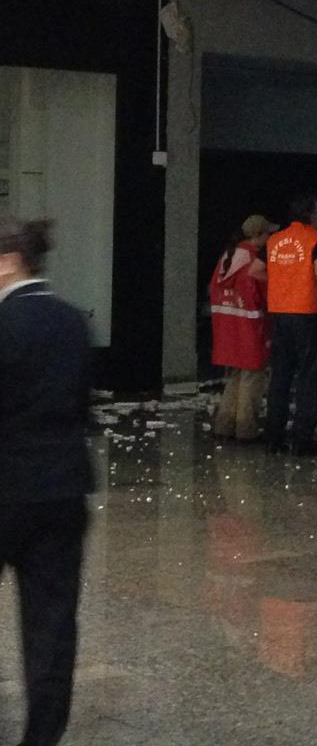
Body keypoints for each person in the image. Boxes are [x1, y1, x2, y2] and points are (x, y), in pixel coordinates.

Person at [0, 217, 93, 746]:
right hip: (62, 488)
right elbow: (81, 404)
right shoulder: (74, 322)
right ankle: (42, 735)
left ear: (9, 260)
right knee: (52, 622)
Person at [265, 193, 317, 455]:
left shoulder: (274, 240)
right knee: (308, 376)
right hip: (308, 312)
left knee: (280, 376)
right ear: (311, 214)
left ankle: (273, 435)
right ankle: (303, 439)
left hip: (280, 312)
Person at [209, 214, 277, 441]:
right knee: (252, 378)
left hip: (227, 327)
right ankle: (246, 429)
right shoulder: (253, 260)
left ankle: (224, 424)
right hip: (250, 327)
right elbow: (265, 295)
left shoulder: (228, 257)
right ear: (258, 236)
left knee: (235, 376)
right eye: (268, 233)